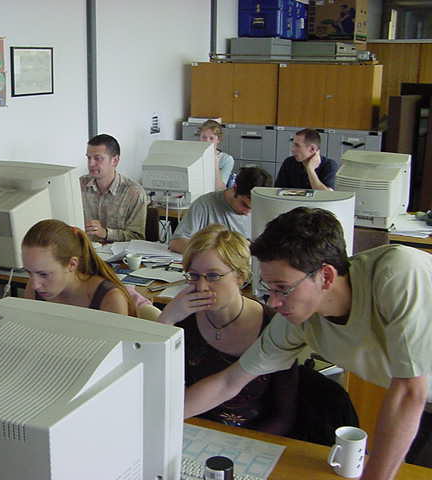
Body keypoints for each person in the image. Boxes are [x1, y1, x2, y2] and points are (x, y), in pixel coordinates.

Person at [184, 207, 432, 479]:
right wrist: (160, 420)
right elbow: (229, 382)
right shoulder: (297, 319)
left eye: (283, 288)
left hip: (416, 393)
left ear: (326, 276)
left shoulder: (397, 274)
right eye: (269, 289)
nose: (274, 302)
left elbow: (409, 392)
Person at [159, 225, 298, 435]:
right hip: (191, 428)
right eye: (194, 276)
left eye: (213, 276)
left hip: (253, 436)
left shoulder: (274, 327)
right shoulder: (183, 317)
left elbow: (283, 416)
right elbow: (152, 382)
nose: (201, 287)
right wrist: (167, 318)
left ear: (241, 276)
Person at [21, 219, 135, 315]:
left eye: (43, 274)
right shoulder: (33, 289)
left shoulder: (110, 299)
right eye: (29, 273)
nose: (35, 285)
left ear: (72, 264)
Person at [169, 167, 272, 253]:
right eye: (244, 205)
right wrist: (217, 254)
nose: (248, 213)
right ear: (235, 188)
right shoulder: (204, 204)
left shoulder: (265, 211)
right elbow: (176, 243)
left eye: (254, 208)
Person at [80, 134, 148, 242]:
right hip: (85, 248)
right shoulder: (79, 186)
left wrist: (106, 233)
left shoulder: (134, 193)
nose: (91, 164)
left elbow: (137, 237)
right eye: (89, 158)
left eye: (97, 158)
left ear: (115, 161)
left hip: (117, 251)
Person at [198, 120, 234, 190]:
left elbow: (220, 189)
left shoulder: (227, 160)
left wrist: (215, 163)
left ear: (218, 140)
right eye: (204, 137)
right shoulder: (194, 155)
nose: (207, 141)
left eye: (211, 138)